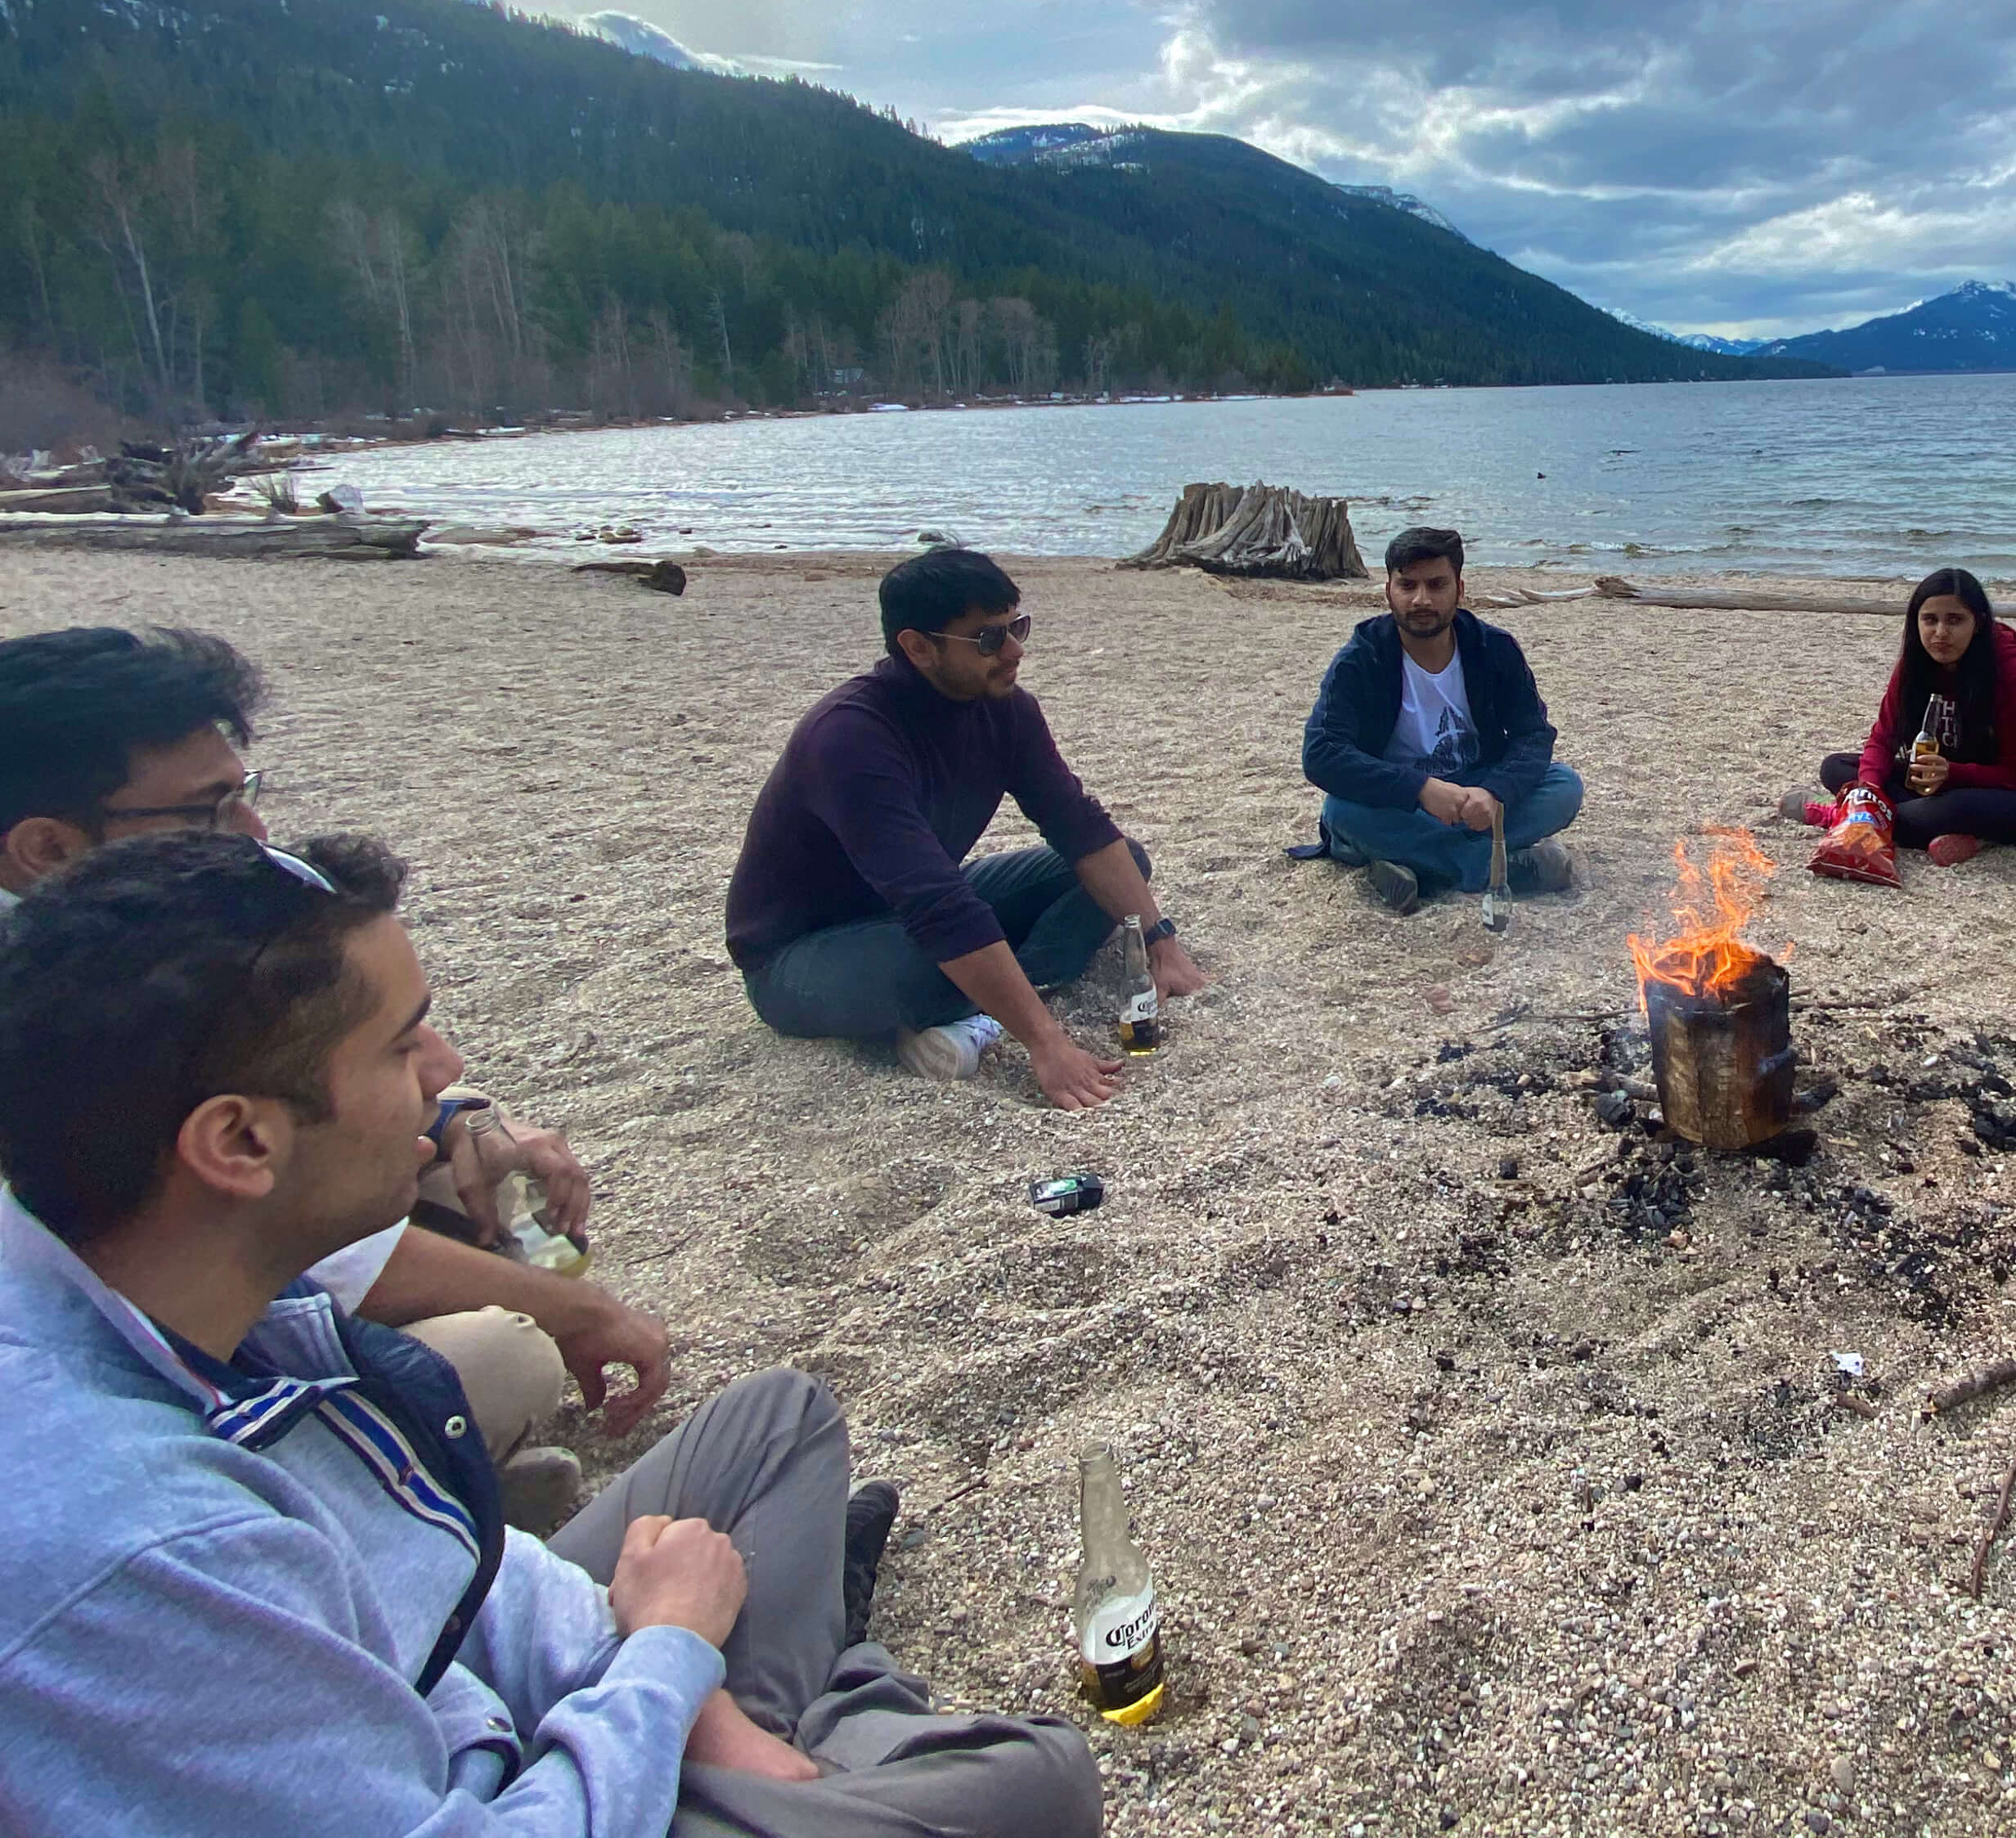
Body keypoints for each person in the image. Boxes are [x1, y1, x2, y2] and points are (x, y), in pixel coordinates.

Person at [0, 829, 1100, 1836]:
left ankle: (784, 1722)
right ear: (239, 1142)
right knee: (1032, 1784)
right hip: (493, 1790)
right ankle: (823, 1709)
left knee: (782, 1417)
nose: (445, 1077)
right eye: (399, 1049)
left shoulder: (195, 1297)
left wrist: (682, 1690)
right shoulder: (131, 1545)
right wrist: (669, 1657)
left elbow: (455, 1577)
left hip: (473, 1683)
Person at [0, 623, 669, 1528]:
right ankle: (376, 1493)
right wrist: (575, 1307)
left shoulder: (119, 939)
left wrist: (463, 1119)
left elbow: (326, 1068)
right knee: (507, 1355)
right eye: (206, 808)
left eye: (245, 794)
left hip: (168, 1277)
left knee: (451, 1134)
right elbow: (255, 1237)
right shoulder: (56, 1017)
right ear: (45, 848)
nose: (251, 832)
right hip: (122, 1367)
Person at [727, 546, 1208, 1103]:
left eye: (1016, 627)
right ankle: (1004, 1003)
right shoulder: (849, 738)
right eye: (988, 639)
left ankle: (987, 1007)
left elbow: (1080, 827)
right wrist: (1046, 1043)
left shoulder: (1006, 710)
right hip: (798, 958)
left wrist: (1160, 943)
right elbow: (937, 903)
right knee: (925, 960)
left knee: (1125, 863)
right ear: (917, 647)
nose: (1014, 650)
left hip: (913, 908)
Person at [1301, 524, 1586, 912]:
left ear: (1460, 590)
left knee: (1564, 785)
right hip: (1401, 800)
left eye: (1436, 585)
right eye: (1408, 586)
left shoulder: (1493, 648)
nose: (1421, 600)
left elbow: (1533, 734)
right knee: (1341, 811)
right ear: (1389, 591)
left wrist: (1495, 791)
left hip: (1476, 792)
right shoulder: (1361, 658)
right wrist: (1420, 788)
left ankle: (1416, 865)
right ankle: (1484, 866)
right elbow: (1321, 753)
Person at [1790, 568, 2016, 865]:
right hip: (1937, 784)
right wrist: (1868, 789)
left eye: (1954, 620)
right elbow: (1882, 739)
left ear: (1979, 624)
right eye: (1930, 620)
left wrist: (1951, 772)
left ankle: (1845, 815)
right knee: (1837, 767)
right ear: (1916, 622)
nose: (1940, 633)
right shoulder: (1915, 666)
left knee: (1938, 811)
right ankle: (1944, 832)